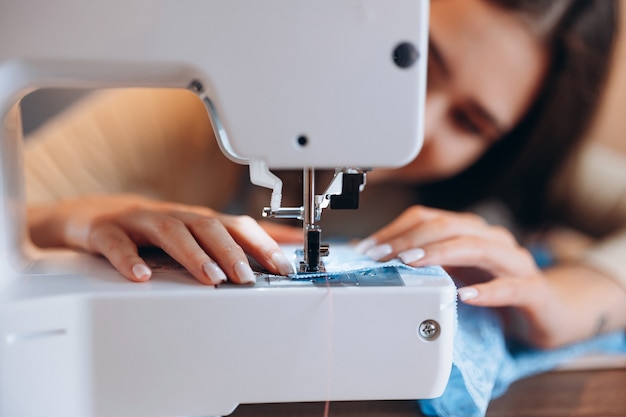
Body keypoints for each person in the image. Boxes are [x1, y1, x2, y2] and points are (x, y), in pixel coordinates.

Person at [24, 0, 626, 350]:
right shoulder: (191, 117)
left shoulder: (531, 176)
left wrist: (571, 300)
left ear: (508, 146)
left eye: (470, 122)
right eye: (409, 65)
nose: (413, 123)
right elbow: (22, 207)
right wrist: (69, 221)